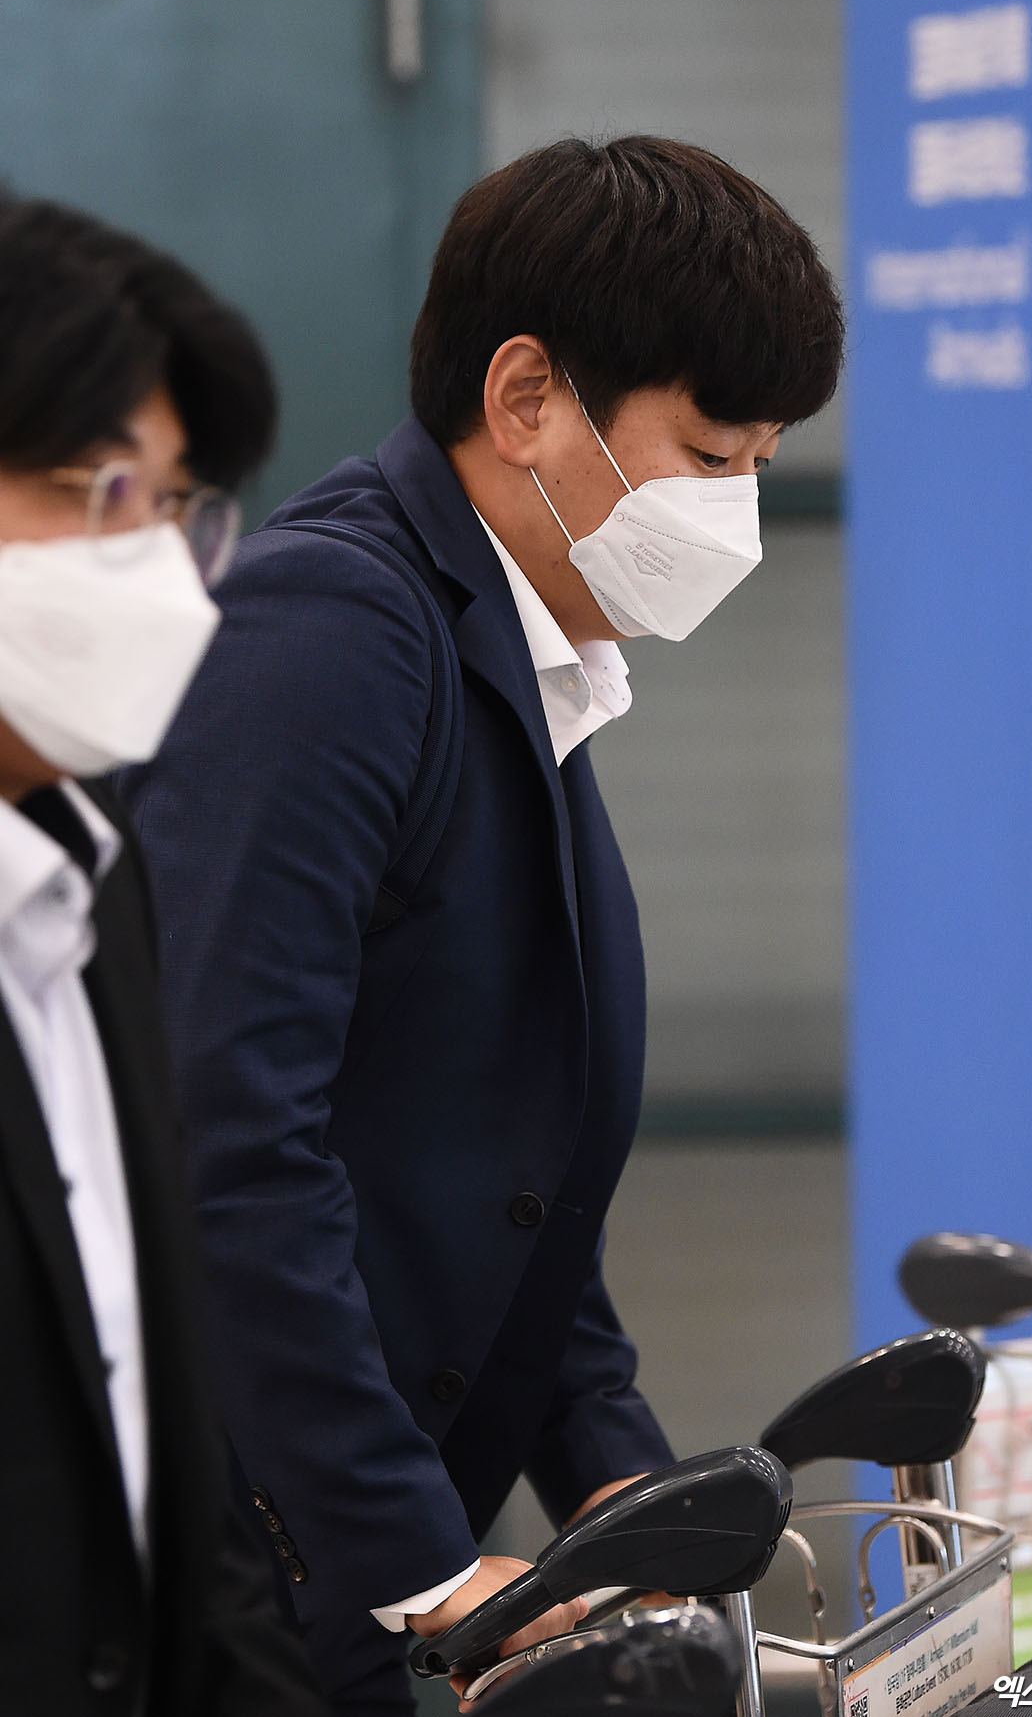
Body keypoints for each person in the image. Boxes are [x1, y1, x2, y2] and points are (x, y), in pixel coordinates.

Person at [119, 134, 845, 1712]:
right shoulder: (331, 636)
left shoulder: (526, 655)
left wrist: (619, 1486)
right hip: (233, 1573)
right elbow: (223, 1138)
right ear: (526, 400)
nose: (736, 511)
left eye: (762, 463)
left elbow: (506, 1170)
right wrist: (413, 1555)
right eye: (708, 456)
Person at [0, 193, 329, 1716]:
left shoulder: (96, 882)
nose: (161, 568)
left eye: (179, 504)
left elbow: (169, 1478)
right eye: (103, 489)